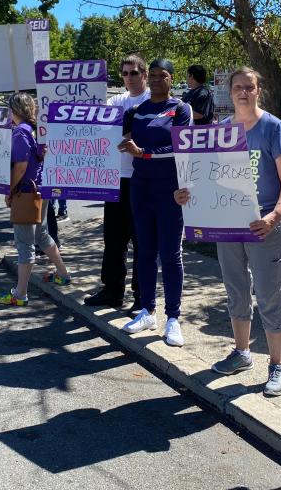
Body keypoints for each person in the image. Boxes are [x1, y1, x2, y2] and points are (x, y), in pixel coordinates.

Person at [175, 67, 281, 396]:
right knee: (236, 290)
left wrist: (276, 214)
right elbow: (207, 179)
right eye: (238, 87)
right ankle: (242, 353)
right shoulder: (221, 131)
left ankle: (277, 365)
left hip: (265, 225)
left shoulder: (274, 127)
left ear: (259, 91)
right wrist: (186, 194)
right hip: (228, 224)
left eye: (249, 87)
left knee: (270, 296)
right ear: (230, 93)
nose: (243, 92)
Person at [120, 58, 192, 346]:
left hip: (170, 189)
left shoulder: (180, 109)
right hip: (141, 187)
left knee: (170, 252)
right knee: (145, 250)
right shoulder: (136, 111)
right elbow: (124, 140)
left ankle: (173, 317)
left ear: (172, 79)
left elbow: (179, 148)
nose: (157, 81)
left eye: (164, 76)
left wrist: (143, 153)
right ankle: (147, 310)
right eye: (155, 76)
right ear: (148, 77)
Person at [84, 54, 151, 312]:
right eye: (125, 73)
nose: (129, 78)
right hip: (113, 179)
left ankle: (141, 296)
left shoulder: (150, 102)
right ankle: (112, 291)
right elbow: (102, 125)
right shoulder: (116, 101)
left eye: (134, 73)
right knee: (113, 240)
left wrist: (120, 130)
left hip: (140, 180)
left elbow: (134, 130)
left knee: (141, 240)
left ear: (144, 75)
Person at [0, 92, 71, 306]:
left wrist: (9, 191)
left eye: (9, 109)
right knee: (42, 234)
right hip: (40, 190)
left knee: (24, 243)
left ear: (15, 110)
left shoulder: (19, 132)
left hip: (26, 193)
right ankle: (62, 273)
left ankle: (20, 293)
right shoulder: (34, 130)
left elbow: (20, 166)